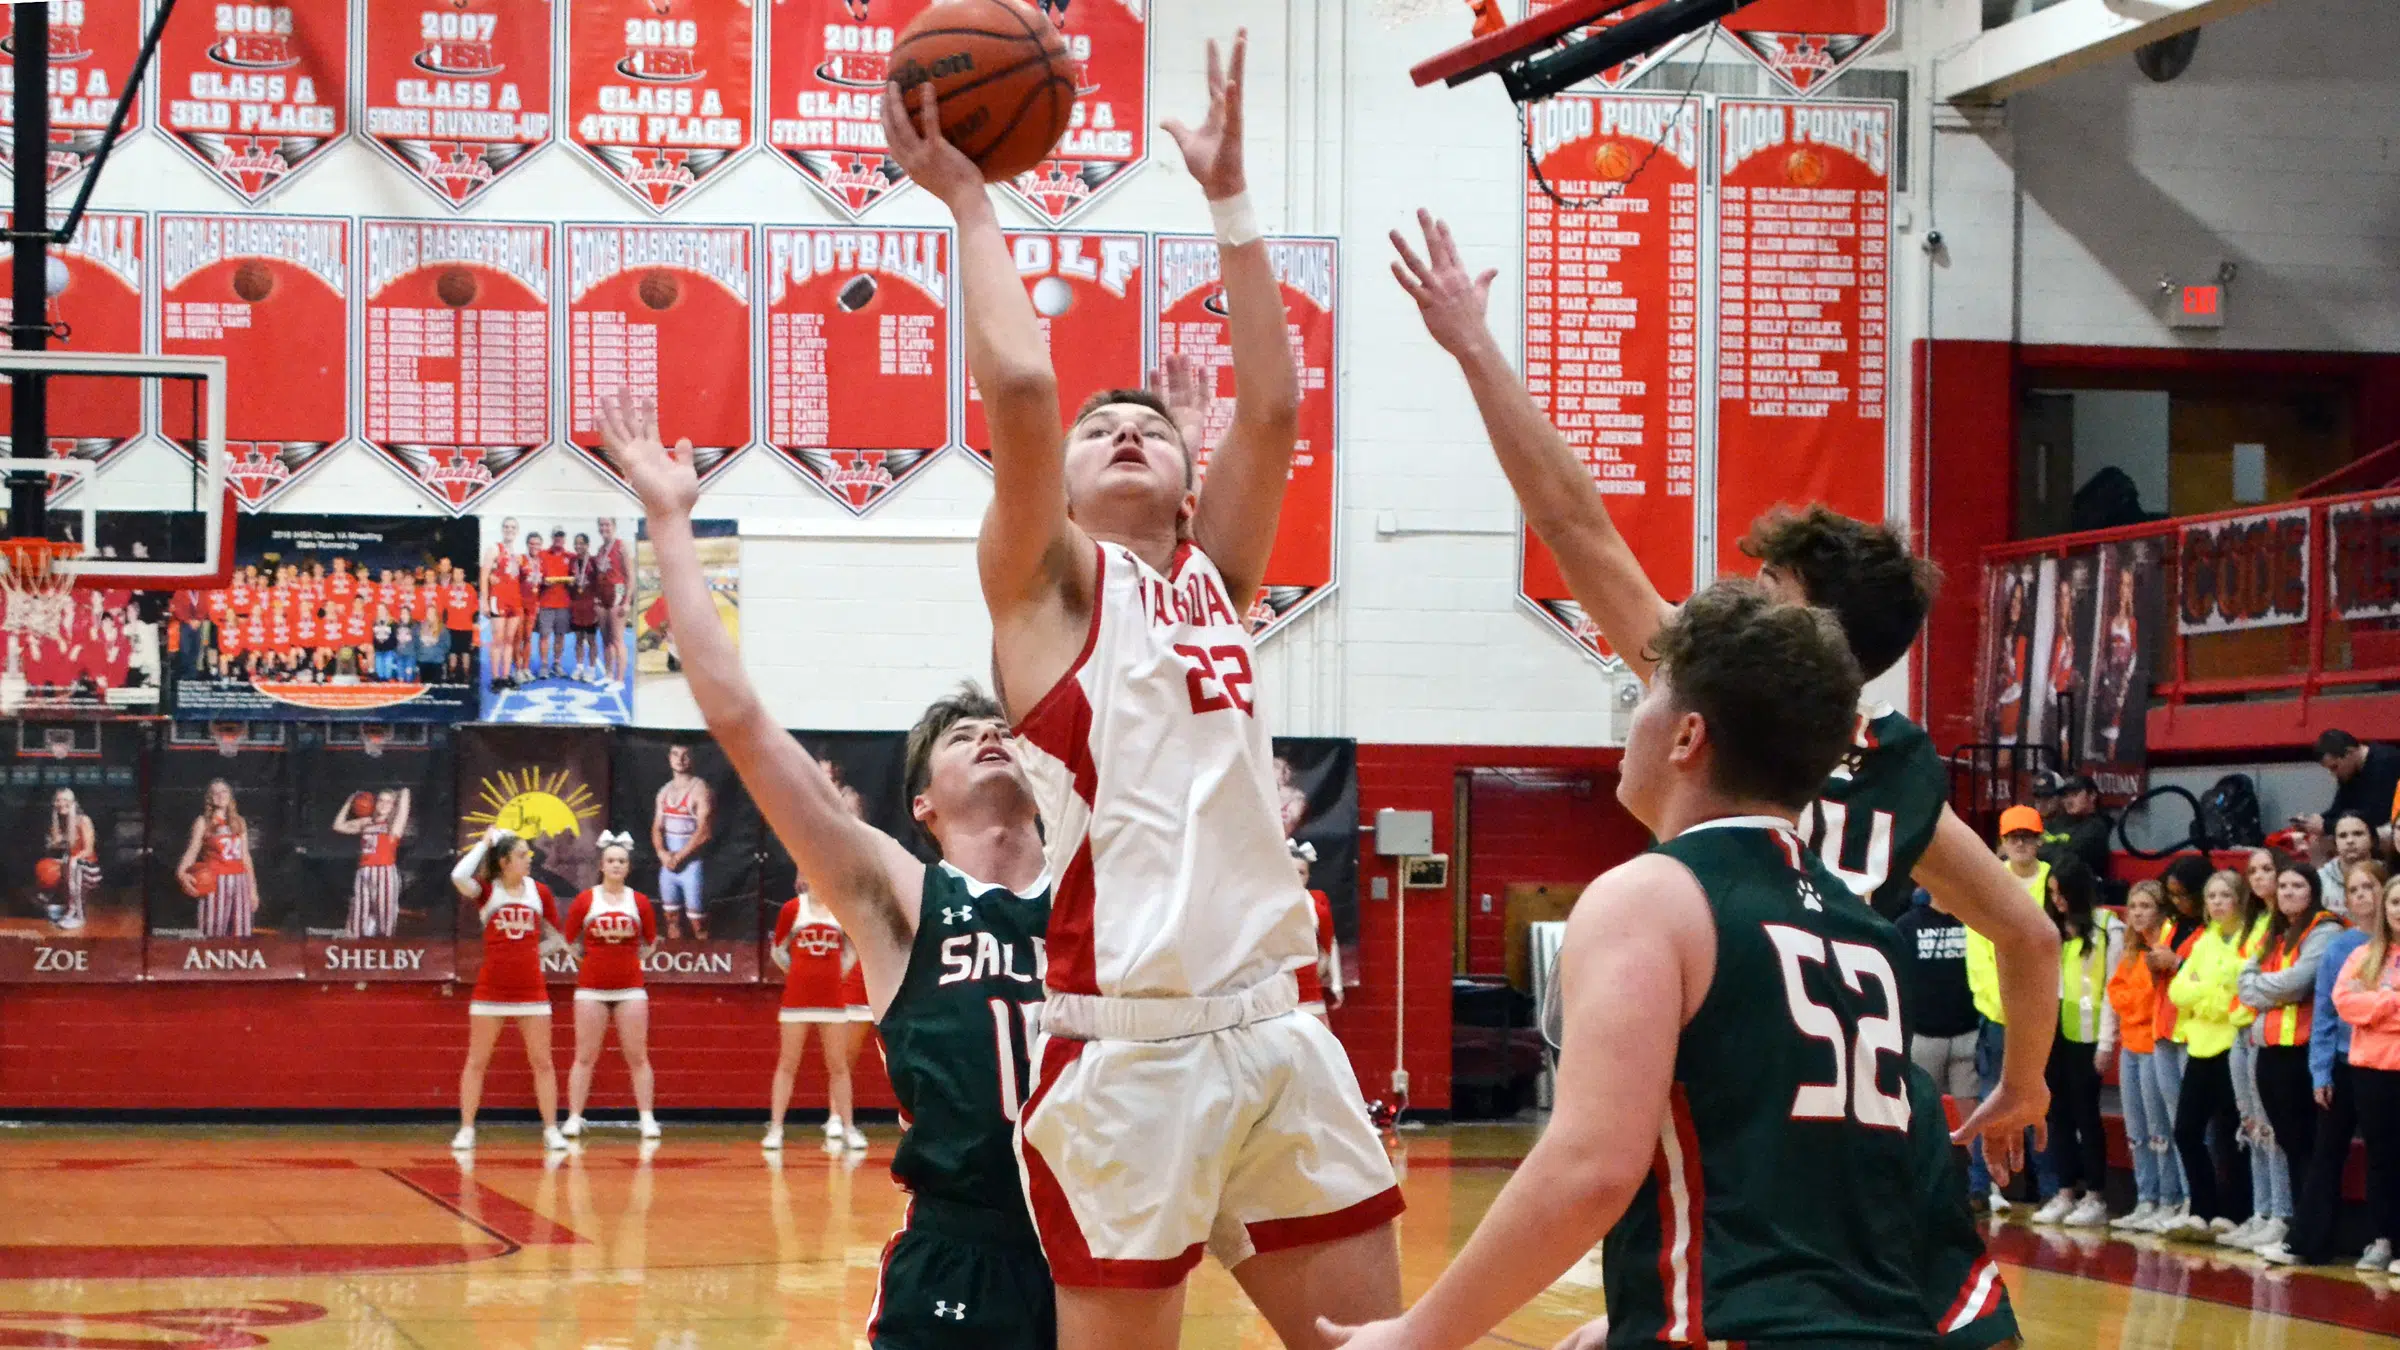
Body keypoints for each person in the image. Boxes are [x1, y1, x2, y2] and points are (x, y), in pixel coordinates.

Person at [890, 36, 1406, 1347]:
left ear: (1189, 483)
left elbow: (1278, 411)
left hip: (1281, 1032)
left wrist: (1232, 207)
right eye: (1098, 428)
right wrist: (967, 197)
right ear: (1054, 491)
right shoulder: (1047, 595)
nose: (1125, 427)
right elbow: (1018, 384)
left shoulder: (1210, 585)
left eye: (1155, 425)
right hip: (1125, 1049)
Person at [1383, 209, 2058, 1186]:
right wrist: (2026, 1083)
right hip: (1848, 1110)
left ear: (1811, 631)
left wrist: (1477, 347)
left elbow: (1572, 522)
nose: (1734, 600)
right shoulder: (1903, 769)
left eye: (1766, 593)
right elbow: (2030, 935)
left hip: (1722, 1049)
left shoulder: (1731, 693)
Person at [1325, 583, 1929, 1350]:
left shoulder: (1650, 895)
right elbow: (1815, 1188)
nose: (1625, 719)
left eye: (1645, 694)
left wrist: (1417, 1336)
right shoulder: (1866, 926)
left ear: (1686, 738)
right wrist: (1647, 1302)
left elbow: (1591, 1169)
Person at [602, 393, 1060, 1350]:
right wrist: (671, 523)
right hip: (961, 1252)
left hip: (1107, 1245)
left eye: (998, 727)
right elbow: (740, 721)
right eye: (955, 735)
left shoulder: (1101, 875)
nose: (985, 733)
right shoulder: (897, 893)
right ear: (921, 806)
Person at [2259, 860, 2385, 1267]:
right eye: (2354, 890)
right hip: (2344, 1064)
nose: (2362, 896)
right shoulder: (2340, 947)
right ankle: (2309, 1241)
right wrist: (2320, 1072)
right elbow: (2328, 1015)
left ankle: (2383, 1239)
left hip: (2386, 1066)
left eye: (2369, 888)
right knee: (2326, 1152)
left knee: (2386, 1153)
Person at [2230, 861, 2339, 1255]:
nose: (2288, 892)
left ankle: (2311, 1237)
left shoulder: (2323, 930)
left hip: (2302, 1052)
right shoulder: (2277, 933)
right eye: (2284, 886)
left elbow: (2296, 983)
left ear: (2313, 892)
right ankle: (2297, 1231)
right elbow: (2246, 982)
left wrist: (2261, 989)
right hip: (2271, 1050)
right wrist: (2262, 988)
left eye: (2297, 886)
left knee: (2306, 1146)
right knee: (2290, 1145)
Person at [448, 827, 570, 1154]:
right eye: (521, 855)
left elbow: (557, 936)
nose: (527, 860)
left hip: (532, 991)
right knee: (477, 1061)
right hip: (491, 991)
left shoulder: (539, 892)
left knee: (543, 1063)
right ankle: (467, 1129)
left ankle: (550, 1130)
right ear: (504, 861)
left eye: (528, 854)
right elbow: (458, 875)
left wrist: (532, 952)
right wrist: (483, 843)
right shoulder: (487, 891)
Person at [1969, 806, 2059, 1210]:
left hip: (2046, 1016)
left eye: (2028, 835)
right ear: (2001, 842)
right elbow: (1979, 958)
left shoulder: (2054, 883)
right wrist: (2009, 1011)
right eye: (2013, 836)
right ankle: (1984, 1189)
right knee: (1992, 1099)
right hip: (2001, 1018)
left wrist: (2037, 1011)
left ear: (2040, 839)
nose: (2020, 843)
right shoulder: (1987, 884)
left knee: (2044, 1104)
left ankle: (2050, 1191)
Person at [2164, 870, 2259, 1239]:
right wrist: (2211, 991)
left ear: (2239, 899)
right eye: (2211, 897)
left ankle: (2234, 1213)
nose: (2217, 903)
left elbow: (2235, 992)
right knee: (2186, 1129)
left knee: (2231, 1134)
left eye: (2224, 895)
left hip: (2233, 1043)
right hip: (2201, 1045)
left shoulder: (2251, 939)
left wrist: (2205, 993)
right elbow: (2177, 991)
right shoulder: (2204, 941)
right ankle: (2202, 1208)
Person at [2029, 856, 2120, 1227]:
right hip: (2053, 1034)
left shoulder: (2107, 929)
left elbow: (2112, 989)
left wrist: (2106, 1042)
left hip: (2087, 1035)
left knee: (2087, 1115)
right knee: (2057, 1114)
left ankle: (2096, 1194)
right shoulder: (2049, 927)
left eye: (2062, 893)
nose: (2058, 901)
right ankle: (2065, 1190)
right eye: (2052, 894)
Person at [562, 832, 661, 1141]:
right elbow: (568, 940)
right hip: (591, 989)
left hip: (630, 988)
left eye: (622, 861)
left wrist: (630, 961)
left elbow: (651, 942)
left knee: (637, 1055)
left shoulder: (639, 901)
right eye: (611, 861)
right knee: (584, 1055)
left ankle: (646, 1119)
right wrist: (590, 961)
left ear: (628, 867)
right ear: (601, 865)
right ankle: (575, 1118)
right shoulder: (585, 899)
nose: (616, 865)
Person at [2107, 880, 2188, 1232]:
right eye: (2132, 906)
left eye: (2145, 906)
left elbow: (2146, 1000)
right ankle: (2146, 1198)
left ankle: (2172, 1198)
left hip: (2158, 1044)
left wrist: (2136, 999)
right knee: (2137, 1131)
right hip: (2131, 1046)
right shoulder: (2131, 951)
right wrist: (2136, 998)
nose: (2137, 913)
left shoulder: (2166, 947)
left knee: (2162, 1129)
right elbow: (2117, 995)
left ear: (2160, 910)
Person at [2331, 876, 2400, 1277]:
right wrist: (2390, 1004)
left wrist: (2375, 1005)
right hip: (2370, 1072)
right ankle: (2382, 1239)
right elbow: (2345, 1003)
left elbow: (2363, 1005)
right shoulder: (2362, 956)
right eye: (2393, 901)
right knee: (2381, 1159)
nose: (2397, 908)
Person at [767, 889, 871, 1153]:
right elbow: (778, 949)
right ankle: (776, 1129)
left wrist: (836, 975)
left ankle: (848, 1128)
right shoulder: (792, 909)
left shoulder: (841, 909)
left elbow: (851, 950)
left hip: (832, 1002)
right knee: (787, 1063)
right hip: (796, 1001)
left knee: (838, 1066)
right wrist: (797, 974)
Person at [2223, 848, 2289, 1250]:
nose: (2260, 877)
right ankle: (2260, 1210)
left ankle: (2281, 1213)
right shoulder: (2250, 924)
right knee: (2250, 1125)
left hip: (2264, 1029)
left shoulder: (2282, 925)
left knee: (2269, 1127)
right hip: (2239, 1028)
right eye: (2253, 871)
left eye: (2268, 869)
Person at [1900, 886, 1980, 1108]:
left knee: (1973, 1113)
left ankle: (1975, 1145)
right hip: (1924, 1035)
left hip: (1968, 1031)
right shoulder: (1907, 925)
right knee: (1923, 1109)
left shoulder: (1974, 921)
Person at [179, 779, 258, 939]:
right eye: (215, 793)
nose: (220, 796)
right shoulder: (203, 822)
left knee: (240, 934)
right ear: (210, 798)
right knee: (213, 933)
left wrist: (253, 890)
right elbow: (192, 851)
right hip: (214, 882)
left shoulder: (239, 821)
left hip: (239, 882)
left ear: (230, 796)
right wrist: (181, 872)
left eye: (224, 791)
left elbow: (245, 857)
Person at [652, 744, 714, 940]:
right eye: (676, 754)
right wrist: (661, 852)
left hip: (691, 864)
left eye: (686, 755)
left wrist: (679, 856)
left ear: (693, 758)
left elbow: (704, 832)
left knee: (698, 923)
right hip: (668, 864)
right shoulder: (664, 791)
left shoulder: (700, 789)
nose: (680, 759)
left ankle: (705, 965)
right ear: (669, 758)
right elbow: (657, 827)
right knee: (671, 918)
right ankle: (676, 969)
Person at [334, 788, 410, 939]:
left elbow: (405, 801)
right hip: (364, 871)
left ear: (393, 805)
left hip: (384, 870)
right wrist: (349, 802)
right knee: (358, 912)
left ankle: (386, 949)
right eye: (381, 800)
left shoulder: (393, 825)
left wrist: (402, 793)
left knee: (385, 913)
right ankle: (354, 947)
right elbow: (338, 826)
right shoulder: (367, 822)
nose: (384, 804)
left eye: (389, 801)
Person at [2304, 729, 2400, 839]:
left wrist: (2327, 826)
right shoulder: (2350, 772)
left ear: (2350, 753)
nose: (2333, 774)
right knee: (2317, 837)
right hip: (2376, 822)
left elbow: (2377, 817)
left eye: (2335, 767)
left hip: (2390, 823)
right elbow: (2340, 808)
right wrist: (2315, 821)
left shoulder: (2385, 762)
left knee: (2377, 835)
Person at [1289, 840, 1342, 1018]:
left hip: (1308, 987)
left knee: (1315, 1041)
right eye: (1291, 872)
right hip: (1274, 989)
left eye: (1302, 873)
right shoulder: (1265, 905)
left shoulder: (1317, 905)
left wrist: (1336, 984)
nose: (1296, 877)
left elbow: (1329, 944)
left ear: (1308, 876)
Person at [42, 786, 98, 932]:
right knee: (45, 865)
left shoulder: (83, 820)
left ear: (73, 803)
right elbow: (57, 849)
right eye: (58, 800)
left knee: (74, 865)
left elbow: (88, 850)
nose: (61, 803)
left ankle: (78, 915)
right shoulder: (59, 823)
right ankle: (61, 905)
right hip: (71, 866)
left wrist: (71, 860)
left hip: (88, 869)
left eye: (65, 800)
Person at [2041, 774, 2114, 884]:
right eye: (2065, 796)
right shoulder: (2056, 822)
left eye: (2074, 795)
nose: (2069, 801)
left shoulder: (2097, 827)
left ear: (2092, 795)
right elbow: (2033, 845)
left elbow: (2066, 859)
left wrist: (2039, 850)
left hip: (2080, 891)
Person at [485, 518, 523, 689]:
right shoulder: (494, 548)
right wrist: (483, 602)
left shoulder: (517, 553)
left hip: (514, 600)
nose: (509, 530)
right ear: (502, 529)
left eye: (513, 527)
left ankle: (506, 675)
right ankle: (495, 678)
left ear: (517, 531)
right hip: (498, 599)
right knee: (497, 639)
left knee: (509, 640)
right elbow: (484, 574)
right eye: (506, 527)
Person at [2318, 812, 2377, 903]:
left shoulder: (2387, 872)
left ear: (2372, 839)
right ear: (2335, 843)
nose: (2350, 841)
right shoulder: (2320, 879)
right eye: (2343, 836)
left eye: (2358, 834)